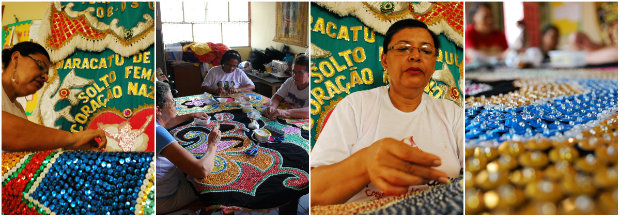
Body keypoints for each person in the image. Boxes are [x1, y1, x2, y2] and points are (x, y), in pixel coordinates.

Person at [311, 19, 463, 205]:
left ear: (433, 64)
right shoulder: (354, 106)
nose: (415, 56)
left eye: (425, 50)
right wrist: (365, 163)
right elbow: (315, 191)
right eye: (403, 48)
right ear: (384, 60)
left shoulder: (453, 114)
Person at [2, 42, 107, 151]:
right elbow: (10, 132)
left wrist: (71, 145)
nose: (45, 77)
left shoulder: (18, 110)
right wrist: (73, 139)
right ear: (16, 58)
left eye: (47, 73)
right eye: (40, 65)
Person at [155, 81, 221, 214]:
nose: (175, 105)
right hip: (160, 200)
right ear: (157, 109)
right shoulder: (157, 132)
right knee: (215, 187)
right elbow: (201, 170)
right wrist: (212, 144)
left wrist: (190, 115)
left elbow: (163, 123)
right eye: (172, 102)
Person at [263, 54, 310, 120]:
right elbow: (277, 97)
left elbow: (310, 112)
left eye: (299, 73)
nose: (295, 76)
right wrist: (272, 106)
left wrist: (285, 112)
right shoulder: (290, 81)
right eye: (294, 72)